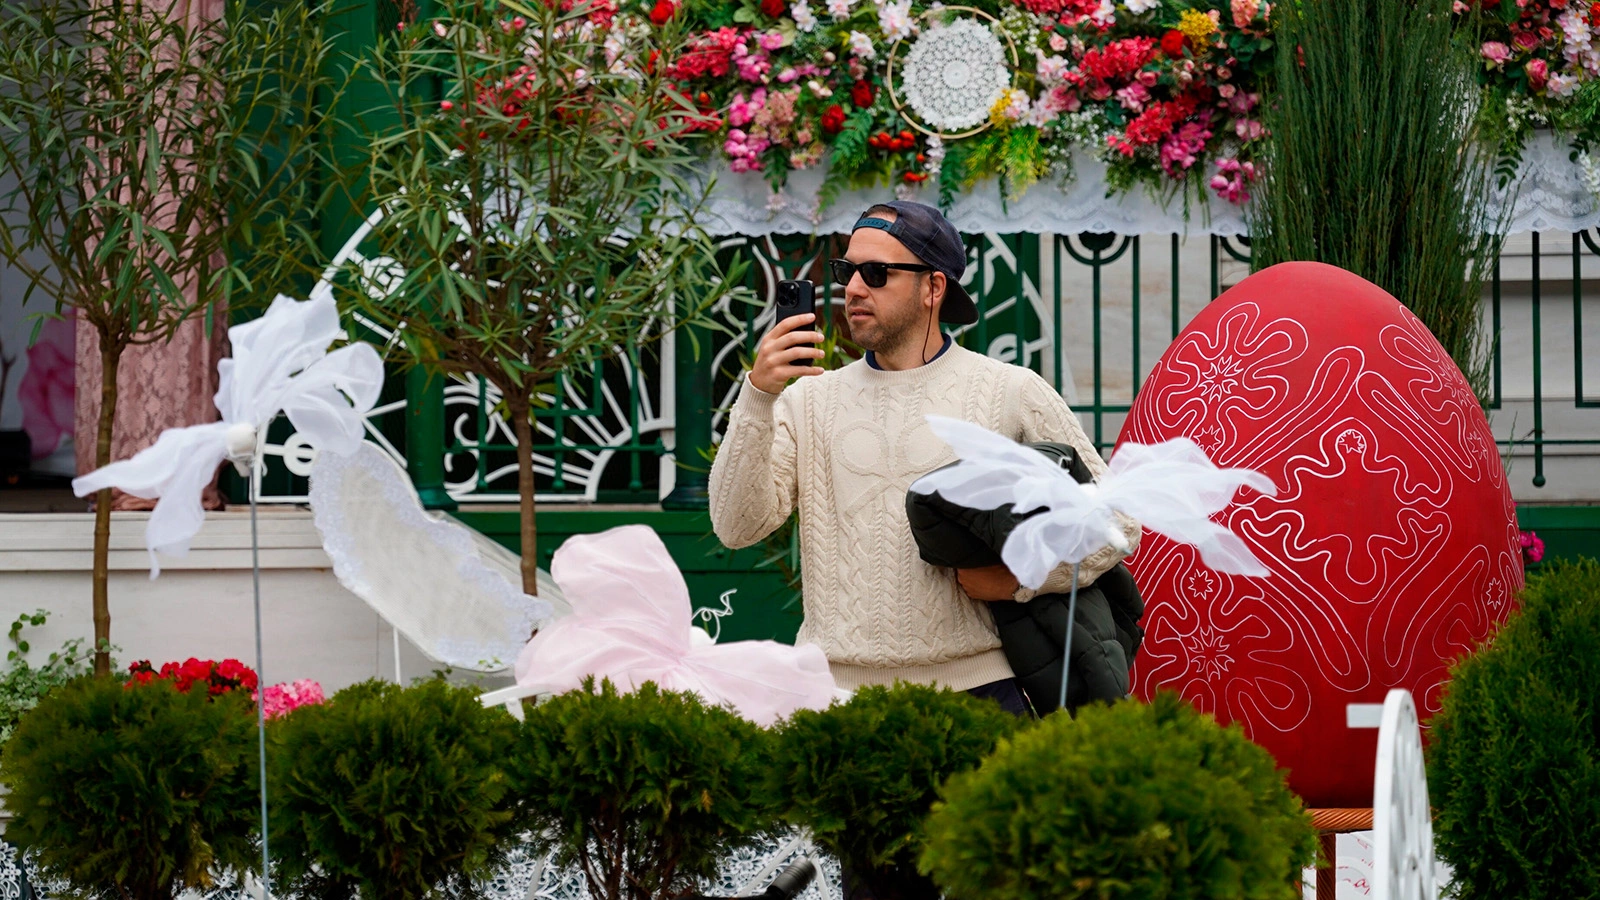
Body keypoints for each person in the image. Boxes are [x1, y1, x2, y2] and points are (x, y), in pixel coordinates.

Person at [707, 200, 1140, 716]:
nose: (853, 289)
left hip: (980, 695)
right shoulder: (806, 399)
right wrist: (759, 393)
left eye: (876, 273)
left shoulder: (1009, 391)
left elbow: (1116, 525)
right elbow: (736, 527)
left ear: (934, 287)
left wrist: (1020, 582)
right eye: (847, 271)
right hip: (835, 698)